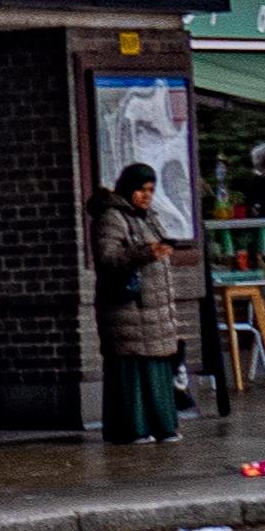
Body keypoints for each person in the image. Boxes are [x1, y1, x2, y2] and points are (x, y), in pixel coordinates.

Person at [94, 159, 195, 443]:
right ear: (127, 189)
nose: (146, 195)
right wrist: (146, 253)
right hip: (127, 308)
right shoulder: (112, 217)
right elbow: (108, 258)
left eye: (150, 189)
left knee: (157, 368)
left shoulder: (149, 217)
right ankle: (133, 427)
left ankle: (162, 425)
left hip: (154, 309)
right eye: (140, 189)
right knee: (133, 370)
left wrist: (161, 249)